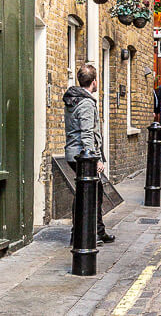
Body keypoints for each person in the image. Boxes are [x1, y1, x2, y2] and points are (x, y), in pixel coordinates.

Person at [63, 64, 115, 245]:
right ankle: (80, 236)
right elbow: (87, 133)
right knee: (87, 194)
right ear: (94, 82)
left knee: (92, 191)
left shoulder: (74, 99)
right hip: (83, 156)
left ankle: (97, 231)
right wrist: (95, 159)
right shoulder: (85, 103)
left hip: (73, 153)